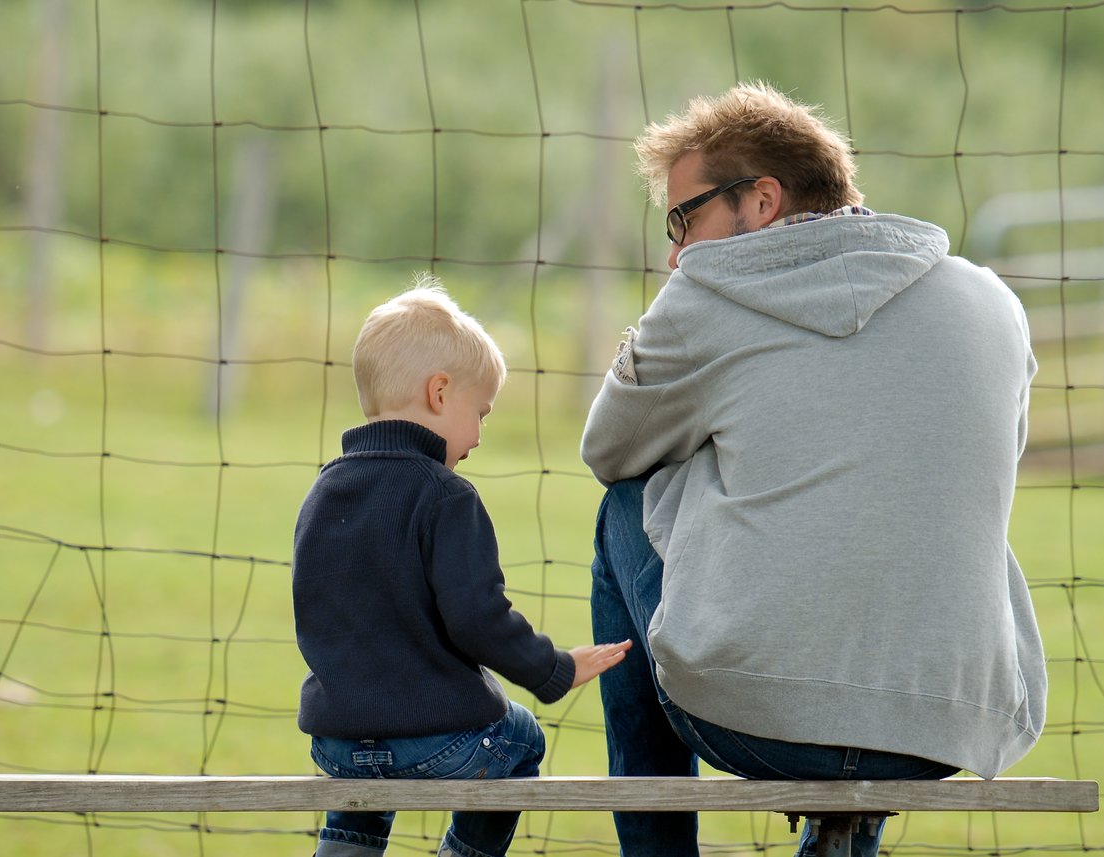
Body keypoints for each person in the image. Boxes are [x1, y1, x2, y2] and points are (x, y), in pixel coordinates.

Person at [580, 81, 1046, 857]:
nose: (674, 252)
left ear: (761, 200)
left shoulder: (706, 292)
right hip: (946, 725)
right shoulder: (993, 303)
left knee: (626, 507)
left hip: (753, 717)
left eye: (681, 219)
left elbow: (609, 450)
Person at [294, 275, 631, 857]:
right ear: (440, 393)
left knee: (363, 794)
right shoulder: (445, 496)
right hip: (436, 744)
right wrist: (552, 669)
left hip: (338, 741)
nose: (477, 435)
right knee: (520, 739)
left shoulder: (324, 491)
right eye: (481, 412)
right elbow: (478, 618)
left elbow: (316, 607)